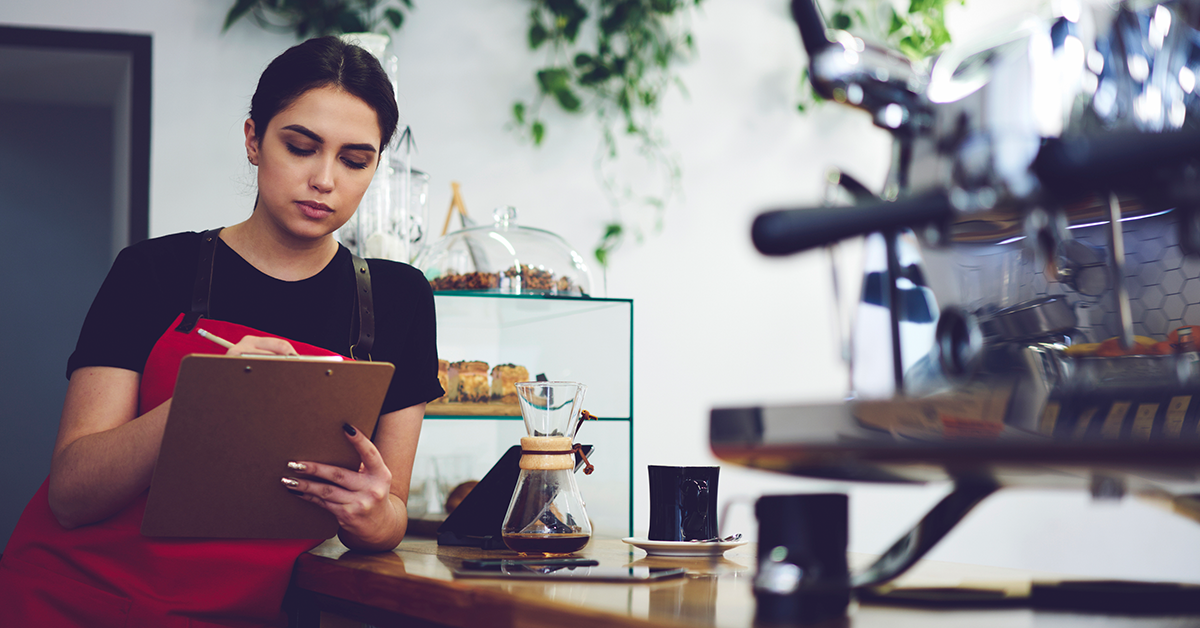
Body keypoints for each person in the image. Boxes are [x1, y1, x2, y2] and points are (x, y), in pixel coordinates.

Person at [0, 36, 443, 627]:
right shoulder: (153, 271)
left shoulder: (399, 298)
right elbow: (72, 496)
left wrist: (371, 516)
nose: (324, 179)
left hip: (243, 614)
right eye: (301, 147)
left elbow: (389, 517)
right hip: (82, 598)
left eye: (354, 160)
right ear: (254, 140)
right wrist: (208, 397)